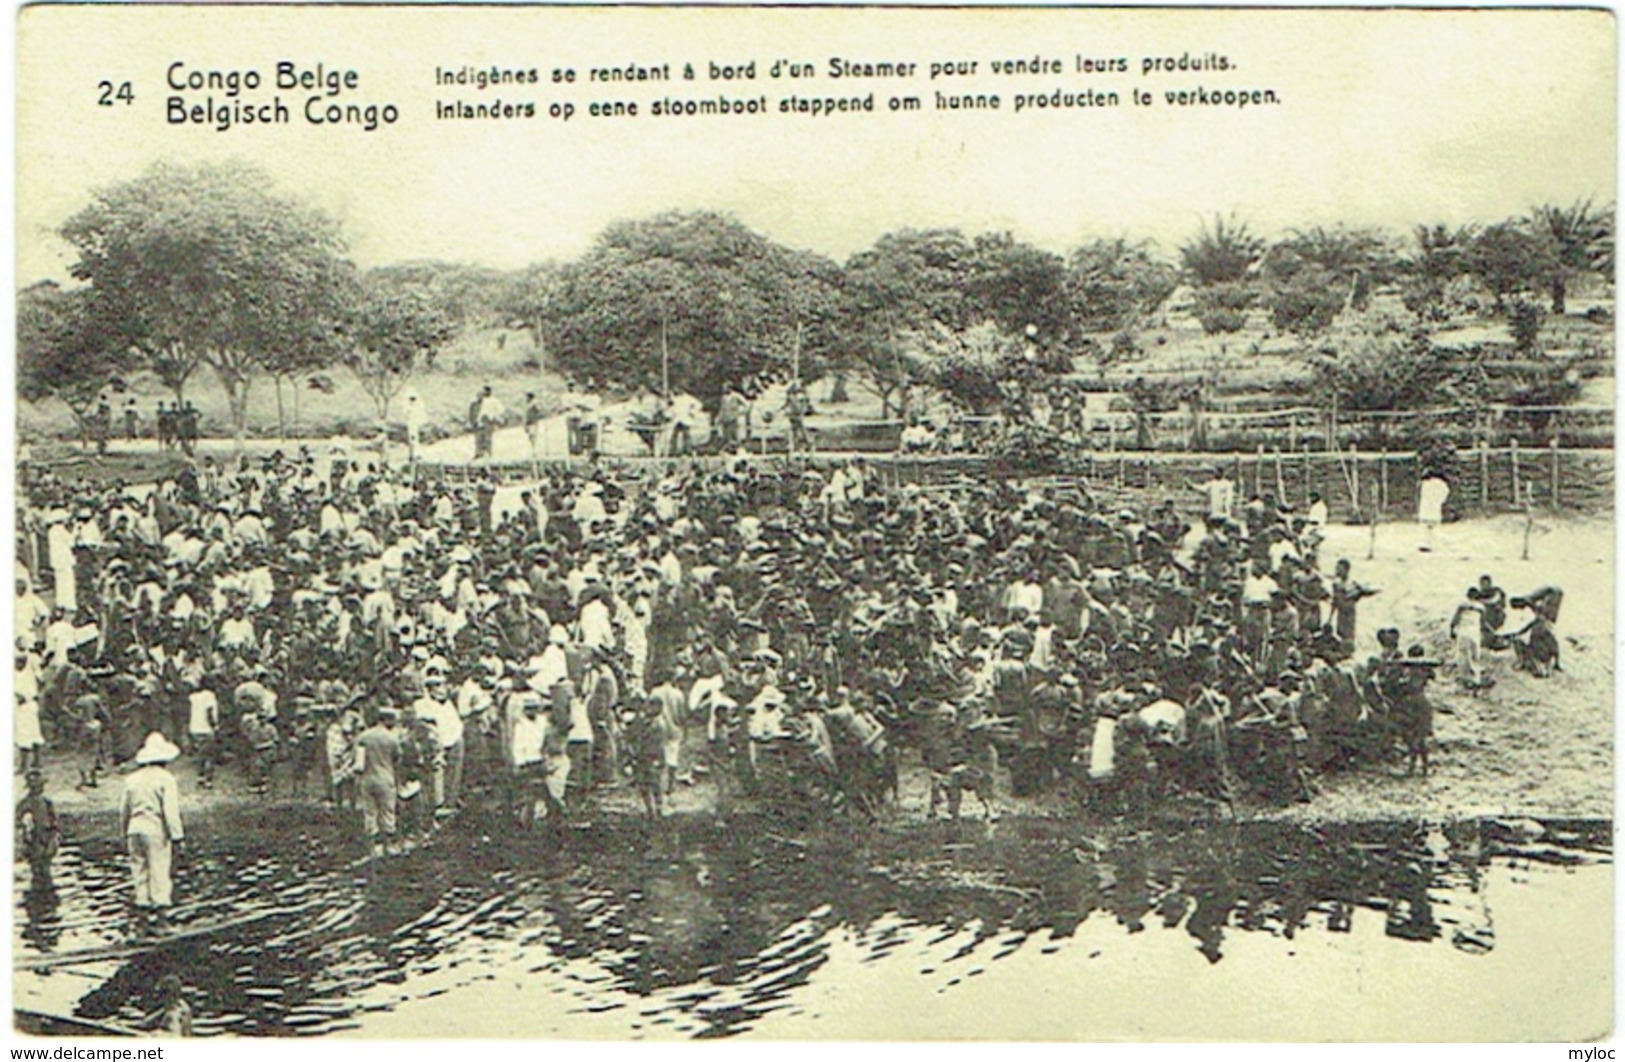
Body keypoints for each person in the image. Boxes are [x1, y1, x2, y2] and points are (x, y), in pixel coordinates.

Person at [121, 731, 185, 932]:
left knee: (139, 870)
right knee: (159, 870)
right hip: (155, 828)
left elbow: (124, 809)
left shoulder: (131, 779)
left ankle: (142, 919)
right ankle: (162, 921)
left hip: (135, 827)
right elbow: (170, 811)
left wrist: (125, 831)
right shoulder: (166, 779)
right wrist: (177, 837)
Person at [355, 706, 402, 859]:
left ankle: (374, 848)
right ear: (387, 720)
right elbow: (397, 759)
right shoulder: (391, 738)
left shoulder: (363, 737)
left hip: (367, 778)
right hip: (386, 778)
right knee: (388, 812)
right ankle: (389, 845)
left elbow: (358, 763)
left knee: (370, 813)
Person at [15, 769, 60, 894]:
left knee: (45, 866)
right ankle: (40, 894)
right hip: (34, 838)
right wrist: (25, 831)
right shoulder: (26, 803)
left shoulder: (46, 802)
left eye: (40, 786)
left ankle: (45, 893)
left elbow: (54, 821)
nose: (39, 789)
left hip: (47, 836)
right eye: (36, 786)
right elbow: (17, 820)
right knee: (37, 867)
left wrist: (54, 836)